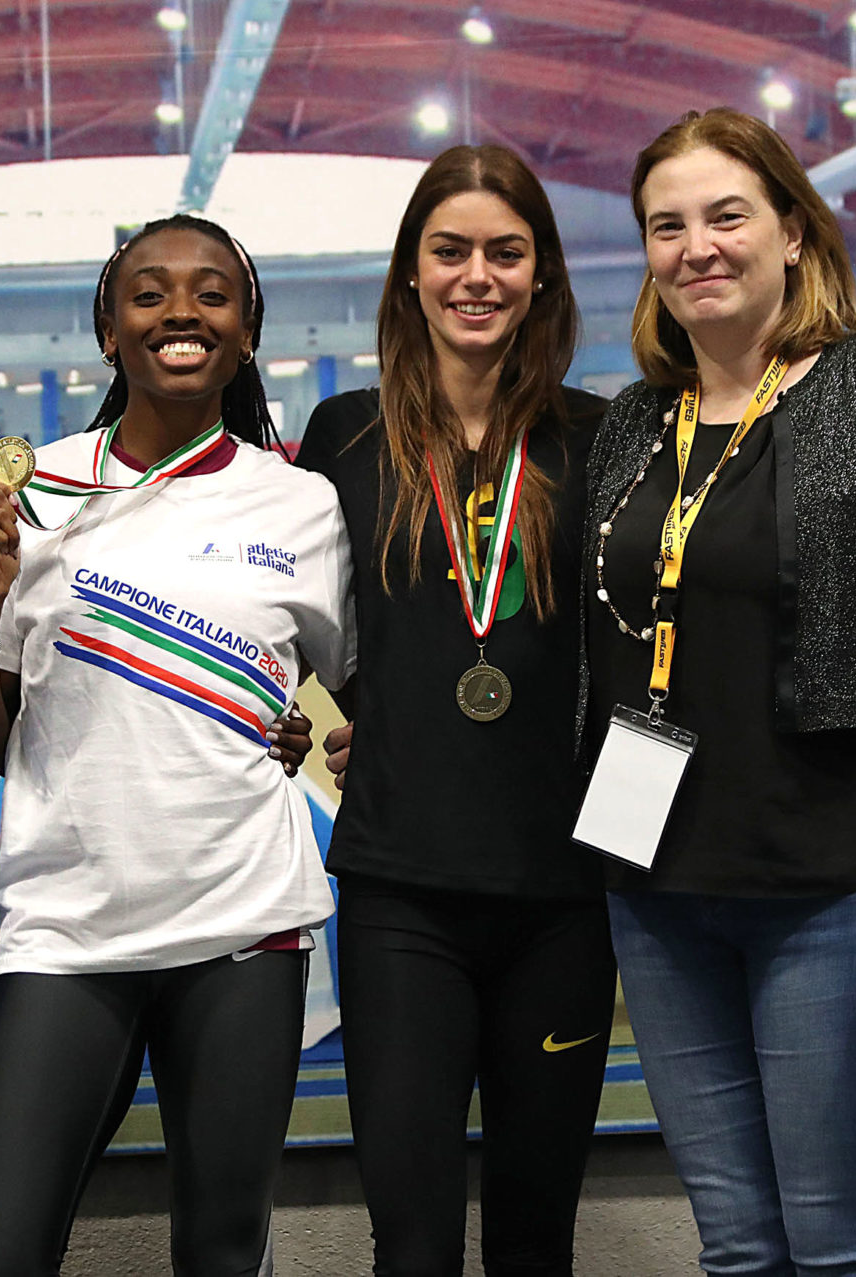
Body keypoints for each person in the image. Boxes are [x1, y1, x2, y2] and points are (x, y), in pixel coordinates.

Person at [580, 107, 856, 1275]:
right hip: (658, 895)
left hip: (829, 892)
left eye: (725, 216)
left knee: (843, 1248)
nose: (695, 247)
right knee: (737, 1253)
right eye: (667, 226)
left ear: (793, 234)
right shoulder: (632, 422)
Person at [0, 213, 353, 1277]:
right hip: (65, 929)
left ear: (248, 328)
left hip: (244, 927)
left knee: (222, 1255)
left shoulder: (303, 503)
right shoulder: (26, 494)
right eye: (150, 292)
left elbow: (367, 687)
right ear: (107, 327)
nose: (181, 312)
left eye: (212, 293)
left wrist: (326, 731)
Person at [298, 145, 613, 1277]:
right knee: (414, 1243)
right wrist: (367, 717)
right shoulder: (339, 435)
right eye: (449, 251)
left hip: (561, 904)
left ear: (539, 276)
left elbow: (641, 657)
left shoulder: (596, 438)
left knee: (536, 1240)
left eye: (503, 252)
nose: (474, 276)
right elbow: (291, 611)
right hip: (398, 901)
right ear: (410, 275)